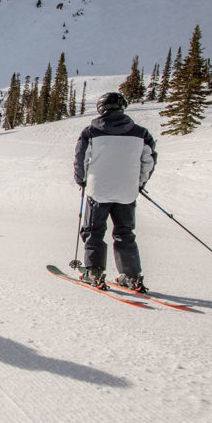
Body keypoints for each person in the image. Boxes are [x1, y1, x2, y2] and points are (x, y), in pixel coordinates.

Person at [73, 92, 156, 292]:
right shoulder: (140, 133)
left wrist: (81, 179)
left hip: (98, 189)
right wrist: (139, 183)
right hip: (127, 191)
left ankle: (94, 272)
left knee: (94, 231)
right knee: (125, 232)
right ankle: (131, 275)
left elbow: (81, 157)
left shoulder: (91, 131)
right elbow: (149, 160)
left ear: (101, 108)